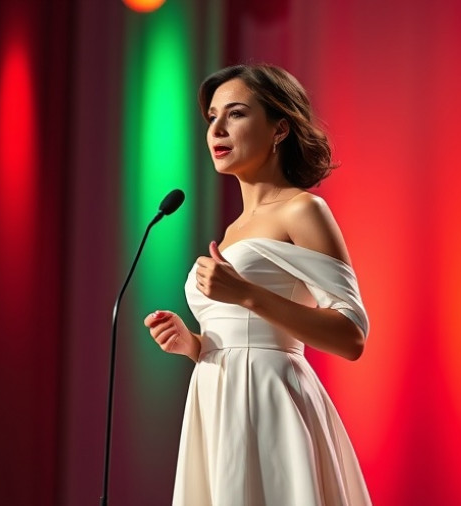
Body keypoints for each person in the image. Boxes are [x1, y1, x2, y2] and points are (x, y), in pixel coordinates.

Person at [144, 63, 372, 506]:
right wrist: (193, 345)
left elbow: (352, 336)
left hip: (271, 402)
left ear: (279, 129)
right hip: (215, 401)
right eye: (212, 117)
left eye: (236, 114)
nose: (218, 128)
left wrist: (246, 293)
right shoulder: (232, 231)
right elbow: (237, 336)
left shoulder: (302, 211)